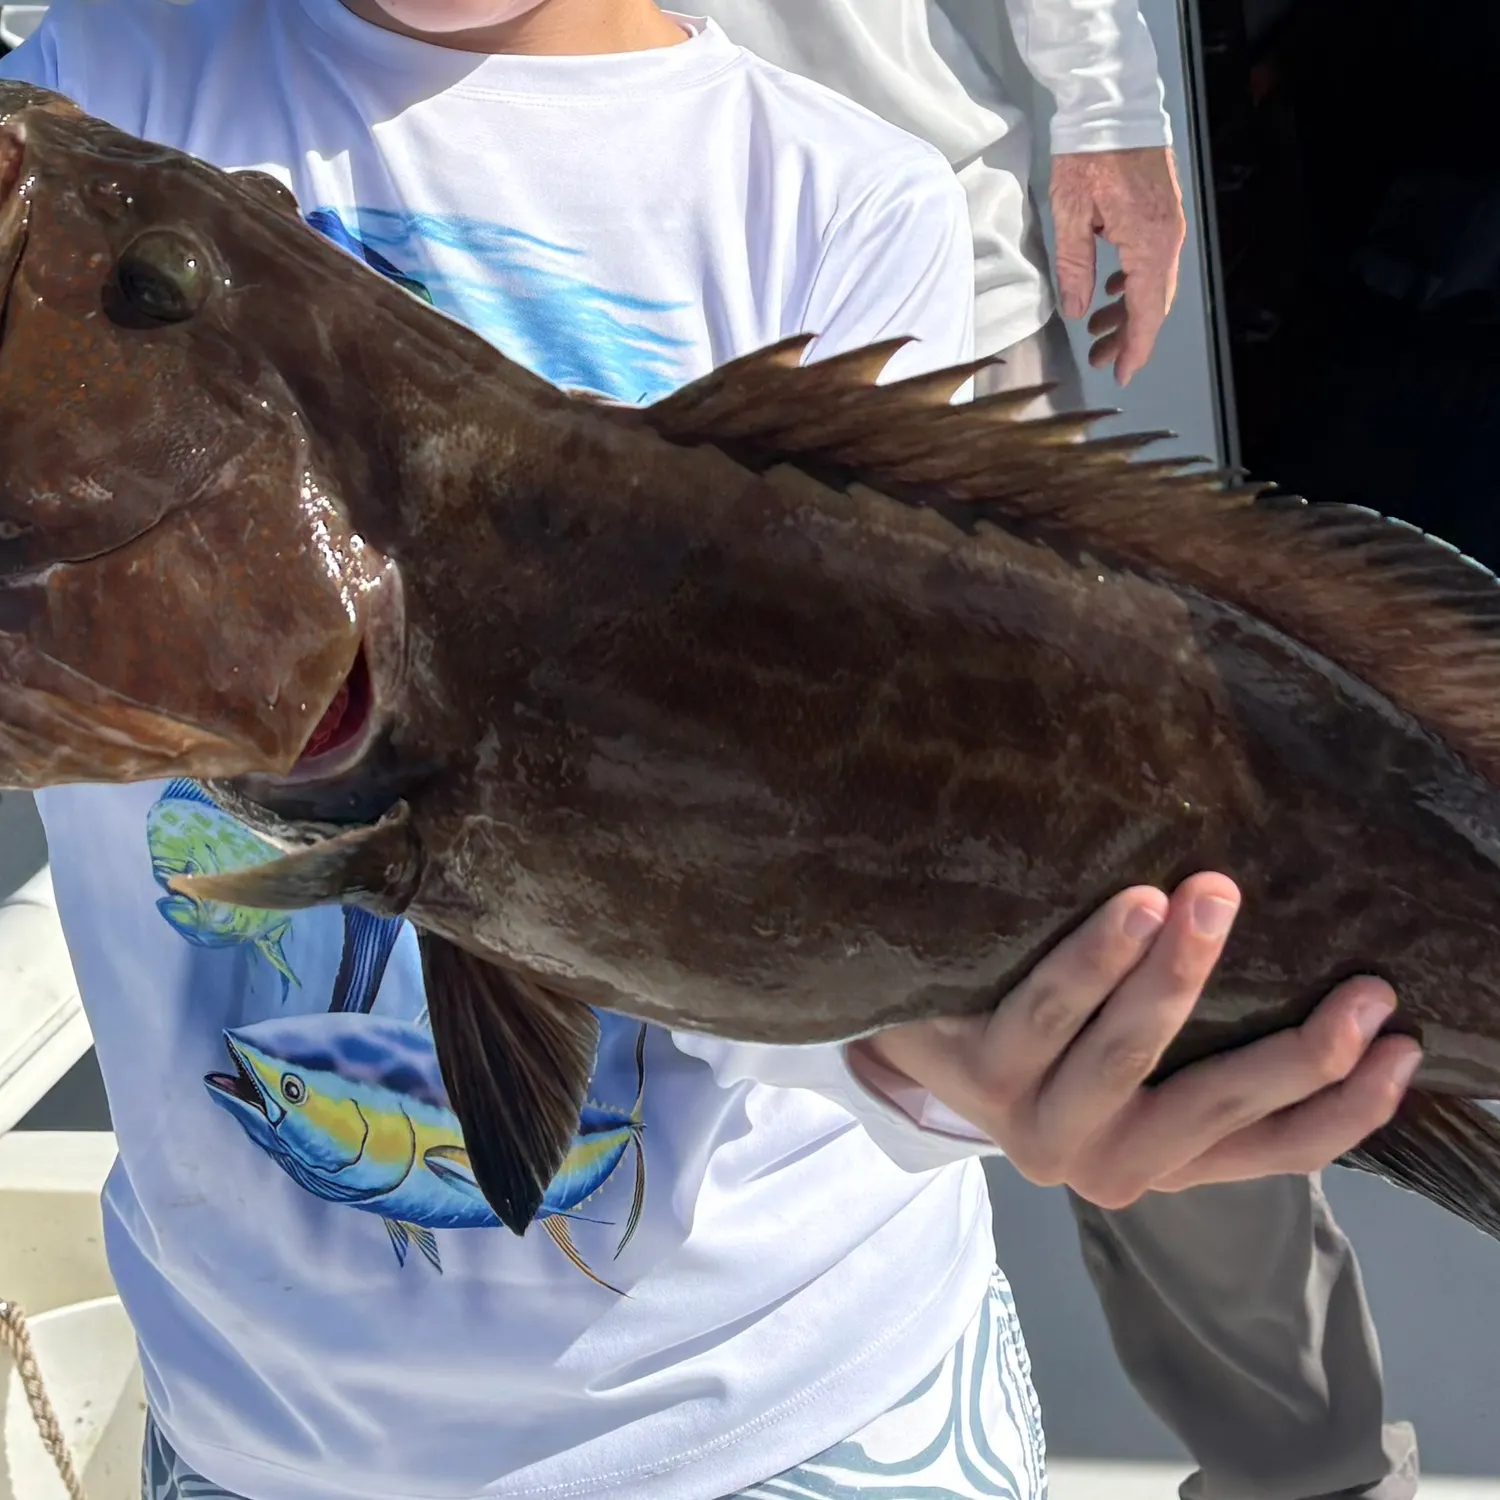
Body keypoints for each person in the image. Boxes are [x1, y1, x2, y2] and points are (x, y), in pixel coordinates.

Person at [0, 4, 1420, 1500]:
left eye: (153, 287)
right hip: (247, 1436)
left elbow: (869, 910)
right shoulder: (88, 90)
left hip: (798, 1422)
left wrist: (956, 1073)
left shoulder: (839, 200)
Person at [695, 5, 1420, 1496]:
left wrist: (1105, 97)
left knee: (1144, 926)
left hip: (924, 319)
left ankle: (1313, 1473)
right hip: (512, 298)